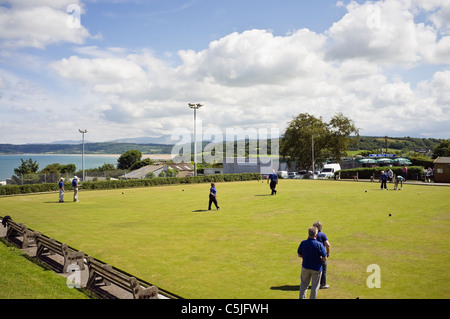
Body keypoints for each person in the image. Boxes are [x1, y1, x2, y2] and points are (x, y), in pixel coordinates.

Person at [297, 226, 327, 299]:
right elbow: (324, 258)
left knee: (303, 284)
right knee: (315, 286)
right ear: (316, 235)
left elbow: (299, 254)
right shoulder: (319, 245)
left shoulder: (303, 243)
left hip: (305, 266)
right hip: (316, 268)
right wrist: (320, 259)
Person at [312, 221, 331, 289]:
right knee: (323, 269)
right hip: (321, 254)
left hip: (313, 255)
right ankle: (322, 284)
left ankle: (315, 283)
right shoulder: (322, 235)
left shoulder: (312, 234)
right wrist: (327, 253)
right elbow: (328, 245)